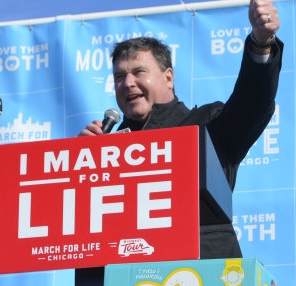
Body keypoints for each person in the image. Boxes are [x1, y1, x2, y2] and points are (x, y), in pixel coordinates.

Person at [78, 0, 282, 259]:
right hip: (127, 285)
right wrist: (80, 166)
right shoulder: (104, 148)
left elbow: (253, 103)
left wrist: (261, 43)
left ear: (168, 77)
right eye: (119, 77)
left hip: (205, 283)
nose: (128, 83)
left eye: (139, 72)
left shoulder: (207, 124)